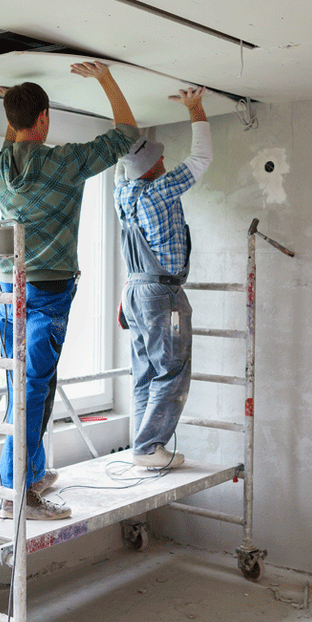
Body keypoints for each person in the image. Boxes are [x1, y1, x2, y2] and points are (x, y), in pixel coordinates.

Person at [0, 61, 139, 519]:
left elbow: (13, 144)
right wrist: (104, 79)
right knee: (34, 390)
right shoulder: (63, 163)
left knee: (27, 384)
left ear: (13, 124)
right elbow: (127, 135)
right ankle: (18, 495)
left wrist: (14, 112)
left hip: (11, 290)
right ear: (45, 118)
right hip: (49, 291)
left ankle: (28, 473)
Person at [114, 86, 212, 469]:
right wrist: (195, 107)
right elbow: (201, 157)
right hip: (161, 294)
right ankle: (149, 447)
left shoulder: (123, 194)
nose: (166, 162)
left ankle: (144, 445)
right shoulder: (159, 191)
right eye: (160, 160)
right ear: (153, 168)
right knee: (171, 368)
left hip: (135, 291)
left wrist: (129, 142)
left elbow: (125, 164)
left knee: (145, 371)